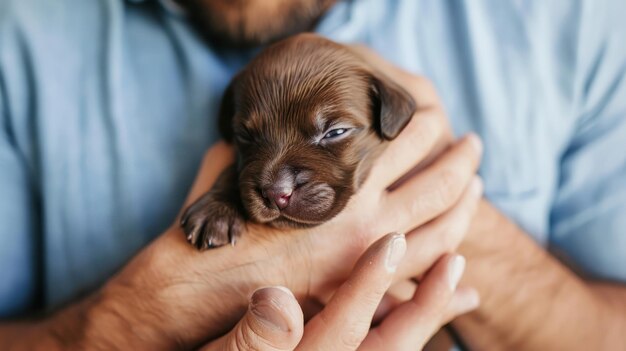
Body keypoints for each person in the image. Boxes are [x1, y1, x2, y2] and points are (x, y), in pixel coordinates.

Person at [1, 0, 625, 349]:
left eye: (332, 134)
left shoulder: (573, 21)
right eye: (249, 143)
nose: (274, 185)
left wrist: (441, 218)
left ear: (393, 117)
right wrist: (132, 322)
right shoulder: (21, 34)